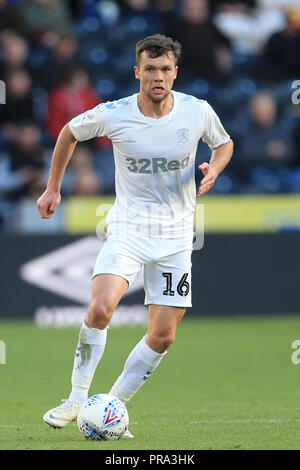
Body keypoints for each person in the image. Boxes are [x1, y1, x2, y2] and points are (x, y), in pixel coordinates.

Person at [37, 34, 233, 437]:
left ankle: (109, 408)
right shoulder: (115, 113)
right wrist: (53, 187)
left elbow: (225, 143)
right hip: (128, 228)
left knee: (163, 336)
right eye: (150, 69)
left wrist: (214, 168)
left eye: (165, 70)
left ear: (175, 72)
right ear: (137, 72)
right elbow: (68, 133)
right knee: (100, 309)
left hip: (177, 237)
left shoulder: (197, 111)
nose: (157, 77)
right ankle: (76, 399)